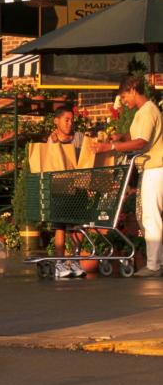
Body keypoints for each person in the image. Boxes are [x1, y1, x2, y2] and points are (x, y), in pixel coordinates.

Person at [91, 74, 163, 276]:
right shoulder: (143, 112)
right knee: (146, 216)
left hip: (155, 168)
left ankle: (154, 266)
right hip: (150, 168)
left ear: (132, 89)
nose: (123, 101)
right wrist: (123, 137)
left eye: (124, 97)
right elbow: (136, 136)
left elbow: (141, 142)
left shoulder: (148, 110)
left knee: (150, 217)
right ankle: (157, 262)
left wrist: (111, 146)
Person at [47, 107, 86, 278]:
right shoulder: (52, 140)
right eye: (66, 120)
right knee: (60, 227)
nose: (70, 123)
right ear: (57, 120)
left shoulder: (79, 138)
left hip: (78, 187)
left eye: (72, 120)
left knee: (77, 227)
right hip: (60, 189)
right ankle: (59, 262)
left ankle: (75, 260)